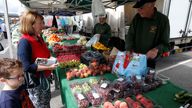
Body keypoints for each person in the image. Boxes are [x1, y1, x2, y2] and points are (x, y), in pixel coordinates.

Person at [17, 10, 57, 108]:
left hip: (45, 79)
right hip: (36, 83)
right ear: (31, 25)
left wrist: (51, 59)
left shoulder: (39, 38)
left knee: (46, 103)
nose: (43, 26)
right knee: (40, 105)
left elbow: (46, 55)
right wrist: (48, 66)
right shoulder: (24, 42)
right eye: (40, 23)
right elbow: (26, 67)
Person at [125, 0, 170, 69]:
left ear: (152, 5)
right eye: (138, 8)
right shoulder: (137, 17)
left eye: (141, 8)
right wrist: (128, 48)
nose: (138, 10)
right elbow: (130, 35)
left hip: (149, 61)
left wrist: (156, 49)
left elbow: (166, 45)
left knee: (146, 78)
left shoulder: (163, 20)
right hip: (135, 58)